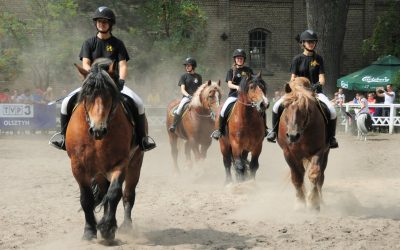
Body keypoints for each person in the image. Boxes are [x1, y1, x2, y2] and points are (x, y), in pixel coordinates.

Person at [50, 6, 156, 151]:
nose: (101, 24)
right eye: (99, 21)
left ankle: (142, 140)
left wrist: (122, 81)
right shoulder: (89, 43)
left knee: (138, 103)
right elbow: (86, 63)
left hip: (113, 83)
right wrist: (92, 77)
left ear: (110, 24)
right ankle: (63, 137)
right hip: (93, 83)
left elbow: (123, 65)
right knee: (66, 103)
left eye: (105, 22)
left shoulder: (118, 44)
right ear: (96, 23)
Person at [266, 29, 339, 148]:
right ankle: (274, 132)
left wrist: (314, 87)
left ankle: (331, 138)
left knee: (331, 110)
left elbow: (322, 80)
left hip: (315, 92)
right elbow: (293, 78)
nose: (311, 44)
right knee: (276, 106)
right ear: (303, 43)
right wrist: (296, 88)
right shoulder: (297, 59)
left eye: (313, 42)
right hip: (298, 93)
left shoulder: (318, 59)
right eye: (309, 42)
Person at [211, 49, 256, 140]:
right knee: (223, 110)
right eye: (238, 58)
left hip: (247, 97)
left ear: (244, 59)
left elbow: (253, 82)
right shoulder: (231, 71)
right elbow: (229, 84)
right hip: (234, 95)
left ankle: (265, 129)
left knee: (259, 110)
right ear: (235, 60)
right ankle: (220, 130)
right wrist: (237, 87)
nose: (239, 59)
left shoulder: (249, 70)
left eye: (241, 58)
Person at [169, 57, 202, 132]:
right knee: (180, 107)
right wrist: (188, 96)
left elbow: (200, 89)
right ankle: (174, 125)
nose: (186, 67)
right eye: (186, 65)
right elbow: (182, 89)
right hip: (187, 97)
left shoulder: (199, 77)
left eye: (188, 65)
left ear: (193, 66)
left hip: (196, 98)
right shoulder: (184, 76)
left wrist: (197, 97)